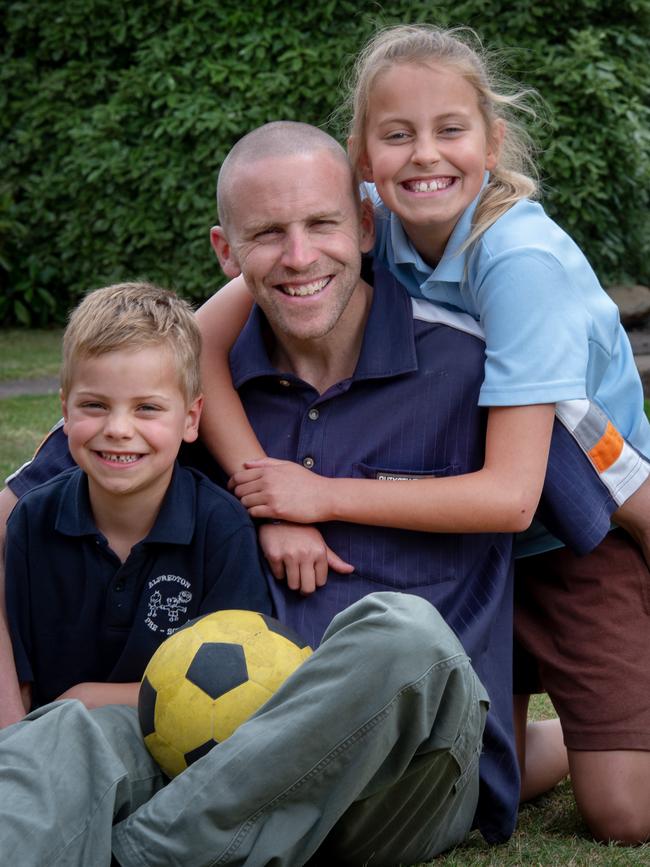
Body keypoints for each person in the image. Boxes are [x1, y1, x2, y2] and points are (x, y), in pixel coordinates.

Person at [0, 121, 612, 867]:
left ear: (363, 225)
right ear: (226, 253)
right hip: (209, 743)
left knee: (403, 636)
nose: (298, 257)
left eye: (320, 224)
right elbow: (17, 506)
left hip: (401, 773)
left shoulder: (480, 367)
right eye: (266, 234)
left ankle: (145, 854)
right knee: (71, 732)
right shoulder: (185, 396)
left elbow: (607, 514)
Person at [193, 26, 650, 842]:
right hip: (468, 541)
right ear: (361, 156)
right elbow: (197, 344)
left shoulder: (517, 261)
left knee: (623, 811)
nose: (423, 155)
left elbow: (518, 496)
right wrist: (272, 496)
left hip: (578, 518)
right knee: (472, 764)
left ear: (492, 139)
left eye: (450, 130)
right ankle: (564, 742)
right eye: (396, 134)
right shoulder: (358, 221)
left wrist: (318, 492)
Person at [4, 281, 271, 714]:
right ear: (65, 412)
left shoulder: (221, 528)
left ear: (190, 419)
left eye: (146, 408)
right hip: (51, 748)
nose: (119, 429)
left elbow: (238, 685)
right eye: (94, 405)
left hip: (173, 753)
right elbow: (20, 674)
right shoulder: (32, 521)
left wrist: (92, 700)